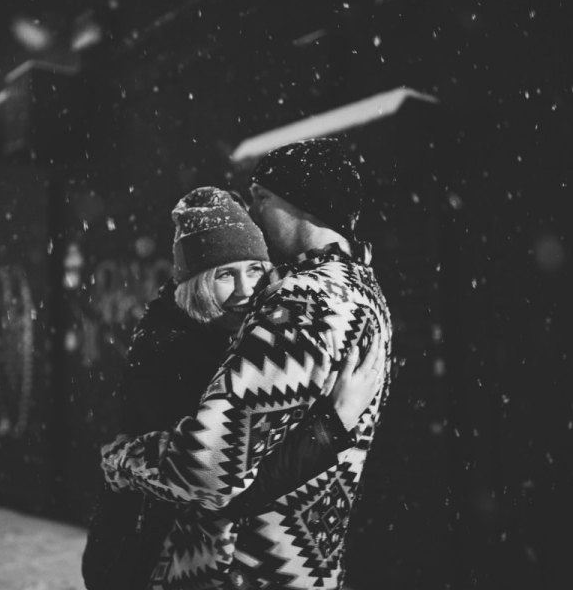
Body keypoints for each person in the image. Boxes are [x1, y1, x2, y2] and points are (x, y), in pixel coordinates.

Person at [84, 186, 383, 589]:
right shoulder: (170, 354)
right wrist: (332, 426)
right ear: (196, 283)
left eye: (255, 270)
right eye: (225, 274)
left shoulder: (245, 334)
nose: (246, 289)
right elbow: (221, 487)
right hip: (146, 558)